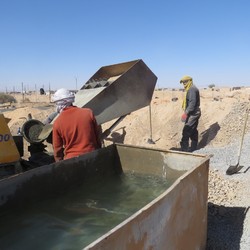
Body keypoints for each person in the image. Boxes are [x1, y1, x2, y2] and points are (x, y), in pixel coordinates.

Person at [51, 88, 102, 162]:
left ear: (59, 104)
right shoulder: (88, 113)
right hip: (92, 156)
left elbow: (57, 149)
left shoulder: (57, 123)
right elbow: (97, 136)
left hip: (72, 161)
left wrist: (59, 164)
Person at [179, 76, 201, 152]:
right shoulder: (191, 88)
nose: (184, 84)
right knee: (193, 130)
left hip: (193, 113)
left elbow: (192, 104)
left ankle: (184, 149)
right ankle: (194, 148)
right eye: (183, 83)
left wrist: (186, 113)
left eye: (185, 82)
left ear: (189, 81)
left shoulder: (192, 89)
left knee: (186, 130)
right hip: (194, 112)